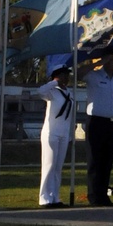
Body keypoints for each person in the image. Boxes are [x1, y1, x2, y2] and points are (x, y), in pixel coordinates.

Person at [84, 46, 113, 206]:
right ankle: (94, 196)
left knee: (107, 161)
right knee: (95, 161)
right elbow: (78, 74)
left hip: (112, 123)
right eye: (109, 59)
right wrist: (98, 63)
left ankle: (103, 196)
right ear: (103, 60)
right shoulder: (94, 76)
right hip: (96, 122)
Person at [34, 64, 74, 207]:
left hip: (63, 133)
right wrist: (54, 82)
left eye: (67, 75)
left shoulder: (69, 92)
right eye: (63, 74)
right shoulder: (52, 91)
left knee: (58, 167)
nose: (66, 77)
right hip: (51, 133)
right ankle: (44, 198)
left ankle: (55, 197)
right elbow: (40, 91)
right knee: (49, 165)